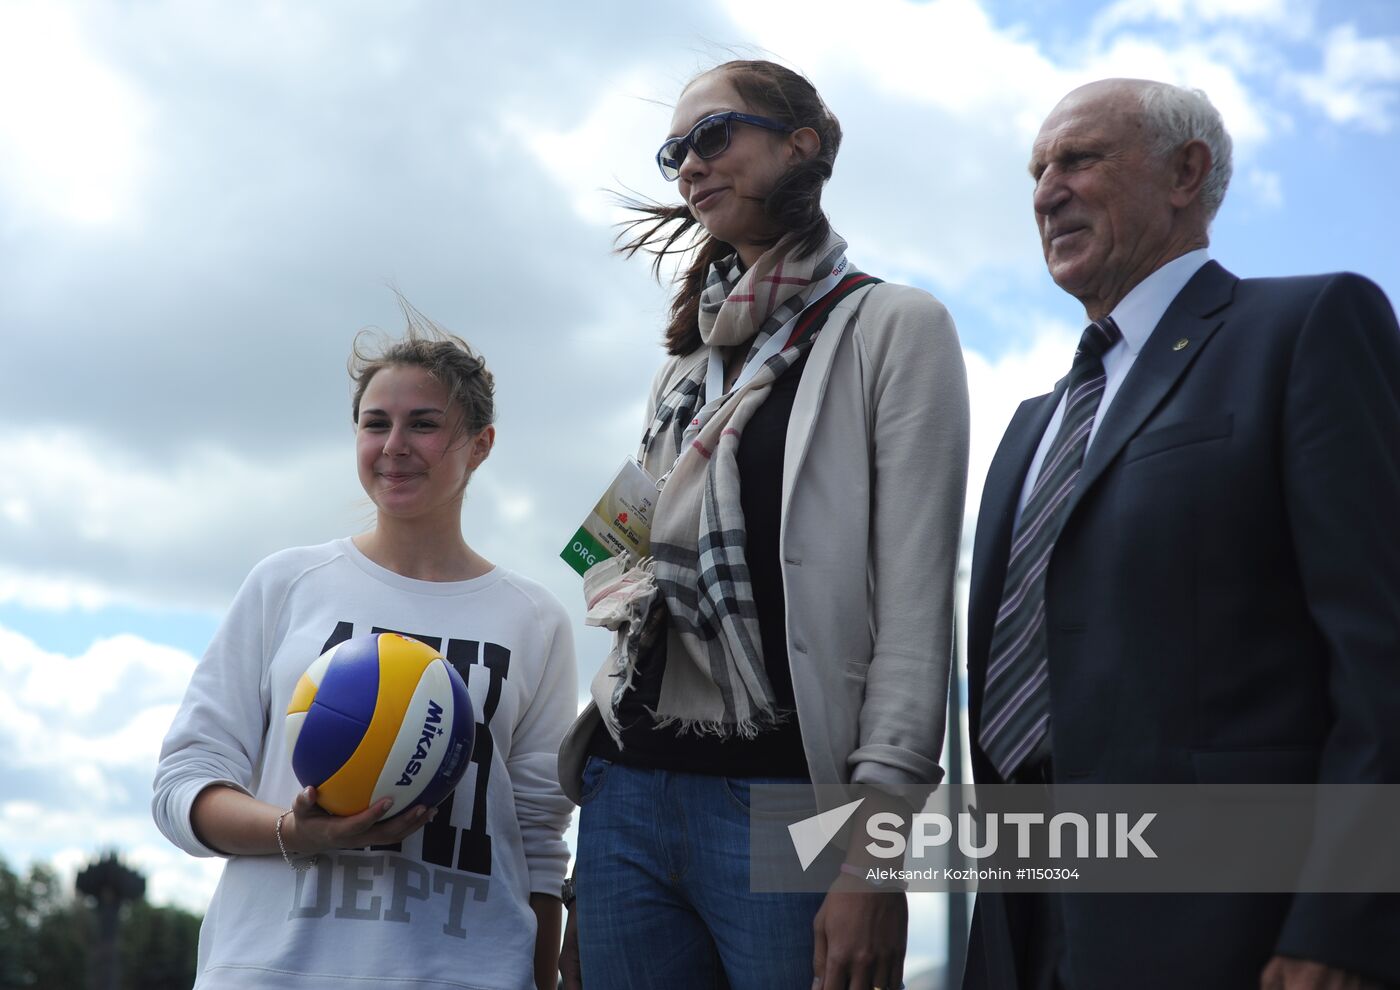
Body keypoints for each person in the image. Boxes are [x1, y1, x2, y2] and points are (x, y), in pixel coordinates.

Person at [963, 78, 1400, 989]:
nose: (1046, 192)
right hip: (1019, 923)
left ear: (1185, 173)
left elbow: (1381, 655)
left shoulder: (1306, 326)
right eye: (1037, 171)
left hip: (1230, 931)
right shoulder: (1030, 425)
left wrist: (1344, 921)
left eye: (1078, 160)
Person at [555, 60, 970, 990]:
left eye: (713, 136)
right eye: (674, 154)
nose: (690, 166)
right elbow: (610, 561)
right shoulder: (683, 370)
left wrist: (878, 854)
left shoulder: (896, 326)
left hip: (789, 804)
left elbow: (913, 613)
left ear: (802, 144)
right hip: (626, 790)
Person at [152, 311, 577, 990]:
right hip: (274, 971)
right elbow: (182, 788)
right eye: (376, 423)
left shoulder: (533, 619)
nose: (394, 444)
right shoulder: (287, 584)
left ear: (481, 443)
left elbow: (540, 841)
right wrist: (298, 831)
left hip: (469, 973)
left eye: (425, 424)